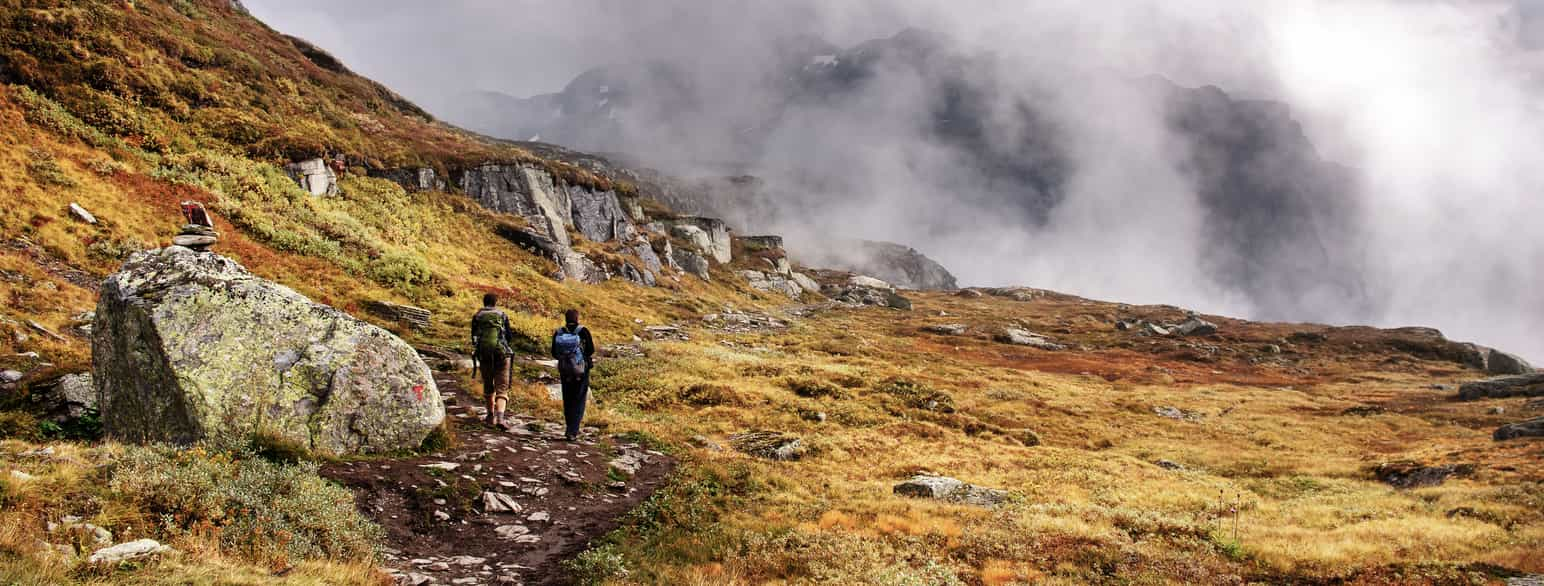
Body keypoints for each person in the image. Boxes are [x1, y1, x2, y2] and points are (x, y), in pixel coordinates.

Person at [470, 293, 514, 429]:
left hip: (484, 355)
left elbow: (473, 336)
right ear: (496, 302)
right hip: (501, 354)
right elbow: (509, 336)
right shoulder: (502, 315)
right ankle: (500, 417)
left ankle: (490, 416)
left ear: (484, 303)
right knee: (502, 387)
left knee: (488, 385)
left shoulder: (477, 316)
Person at [550, 308, 595, 441]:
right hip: (581, 370)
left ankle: (569, 427)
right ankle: (573, 431)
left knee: (568, 398)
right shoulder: (583, 331)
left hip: (565, 370)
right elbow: (591, 350)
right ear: (577, 318)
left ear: (566, 319)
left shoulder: (559, 332)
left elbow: (553, 352)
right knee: (579, 399)